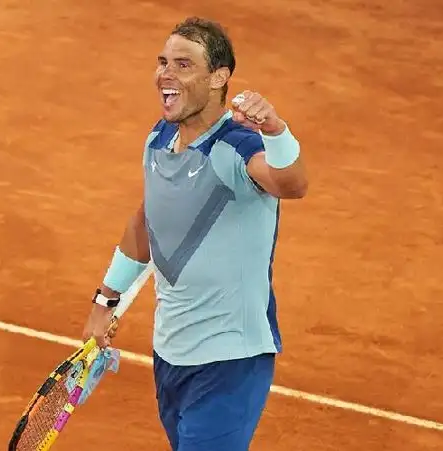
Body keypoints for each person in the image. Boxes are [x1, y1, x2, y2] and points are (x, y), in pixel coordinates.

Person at [81, 16, 309, 451]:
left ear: (219, 77)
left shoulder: (239, 146)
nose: (165, 74)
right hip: (171, 354)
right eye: (163, 62)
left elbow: (292, 184)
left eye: (183, 65)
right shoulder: (159, 138)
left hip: (230, 361)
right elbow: (147, 221)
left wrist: (276, 130)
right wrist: (105, 301)